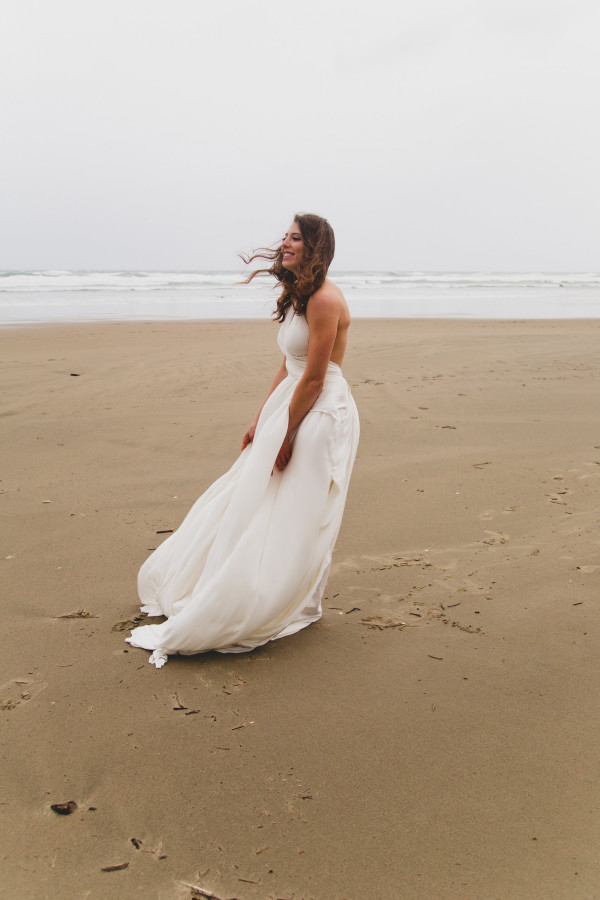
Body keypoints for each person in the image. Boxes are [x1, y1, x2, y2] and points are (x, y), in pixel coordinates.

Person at [126, 213, 359, 667]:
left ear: (315, 248)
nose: (284, 243)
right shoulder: (299, 295)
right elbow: (289, 365)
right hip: (291, 407)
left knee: (297, 509)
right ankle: (253, 590)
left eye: (295, 238)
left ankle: (286, 599)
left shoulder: (326, 300)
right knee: (257, 498)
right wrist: (261, 418)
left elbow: (314, 379)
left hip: (320, 414)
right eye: (286, 236)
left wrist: (287, 432)